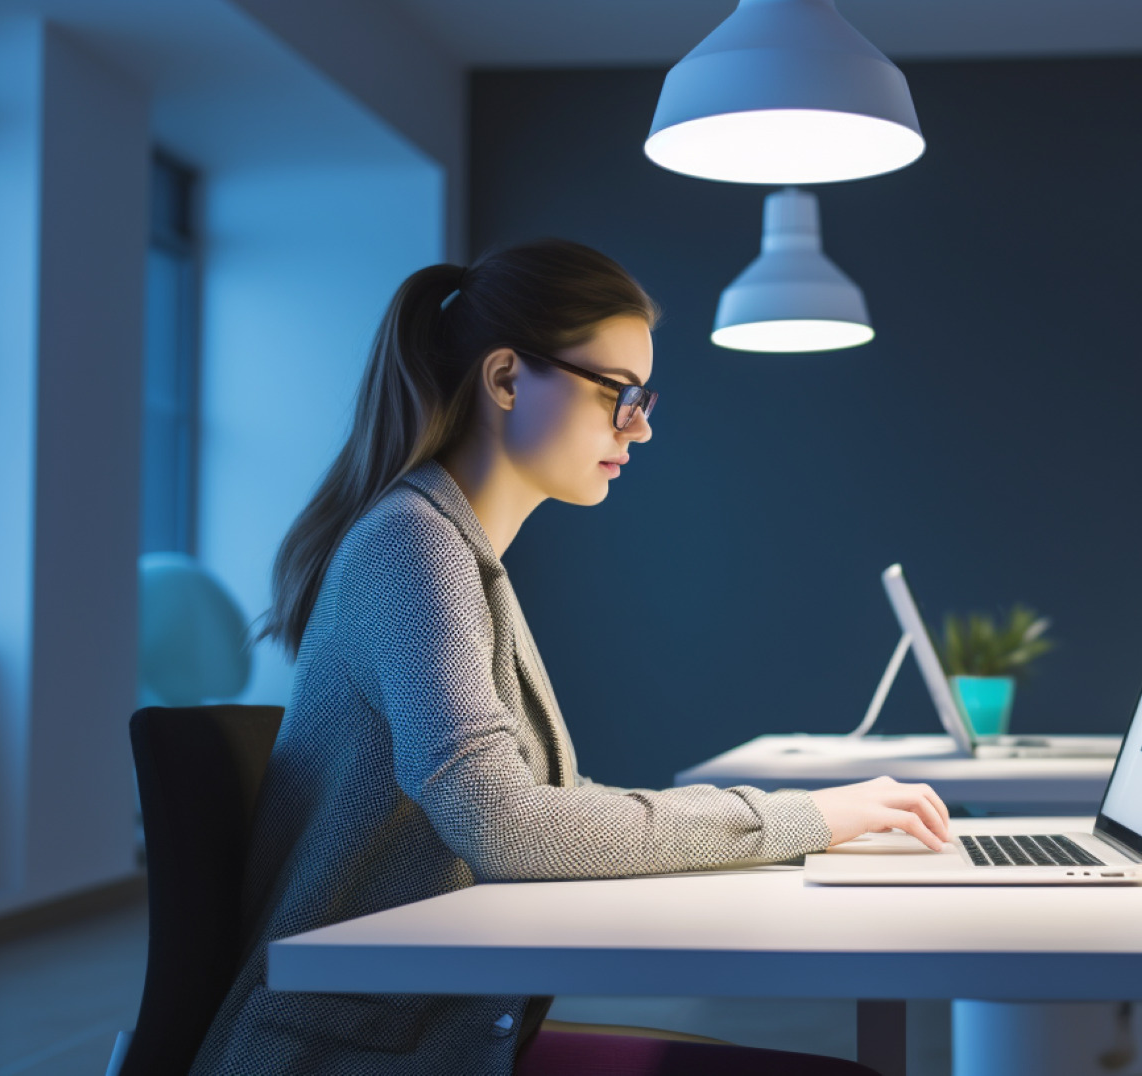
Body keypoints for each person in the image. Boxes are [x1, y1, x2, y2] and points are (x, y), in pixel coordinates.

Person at [187, 239, 954, 1076]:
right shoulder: (411, 546)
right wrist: (804, 819)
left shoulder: (456, 554)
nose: (643, 427)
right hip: (355, 1057)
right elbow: (506, 825)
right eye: (621, 395)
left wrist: (796, 820)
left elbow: (548, 805)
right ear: (508, 378)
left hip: (422, 1038)